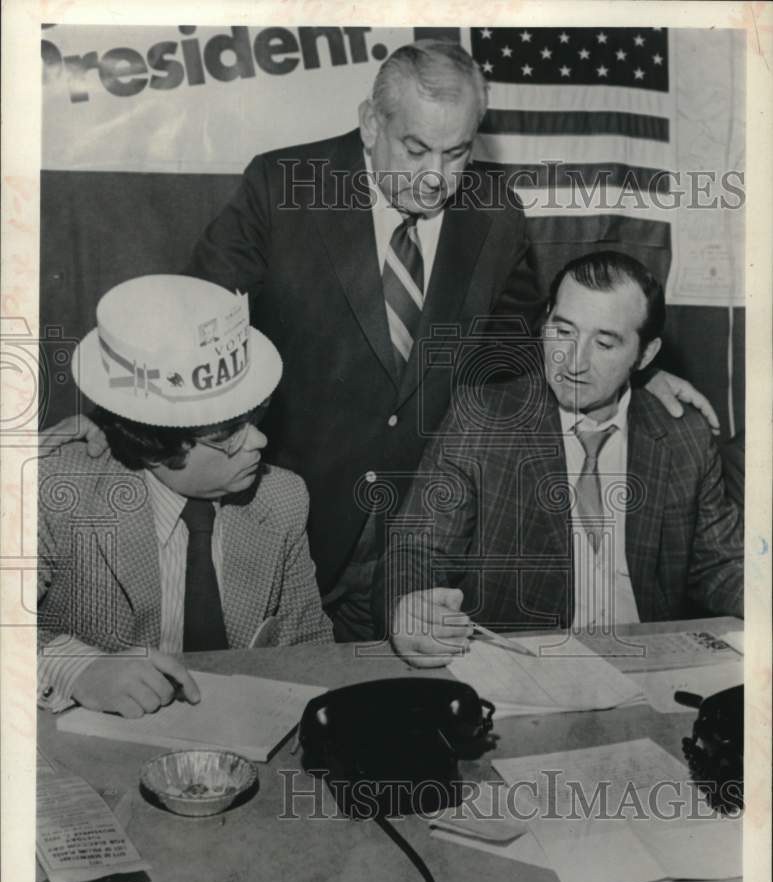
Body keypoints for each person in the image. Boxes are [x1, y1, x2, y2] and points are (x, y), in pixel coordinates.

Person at [42, 40, 718, 641]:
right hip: (304, 515)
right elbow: (185, 322)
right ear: (372, 124)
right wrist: (125, 422)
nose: (436, 177)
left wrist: (631, 377)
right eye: (416, 149)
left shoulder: (494, 211)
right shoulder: (284, 188)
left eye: (457, 153)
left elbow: (517, 353)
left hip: (436, 526)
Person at [378, 251, 743, 667]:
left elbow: (721, 563)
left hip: (648, 669)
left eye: (604, 343)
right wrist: (407, 606)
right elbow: (415, 551)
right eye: (563, 330)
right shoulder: (484, 419)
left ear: (645, 355)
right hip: (522, 669)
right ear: (545, 320)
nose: (573, 362)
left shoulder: (683, 437)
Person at [38, 274, 332, 717]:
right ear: (156, 447)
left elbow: (311, 653)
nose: (259, 442)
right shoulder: (62, 489)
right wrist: (78, 668)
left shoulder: (282, 498)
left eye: (257, 416)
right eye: (229, 434)